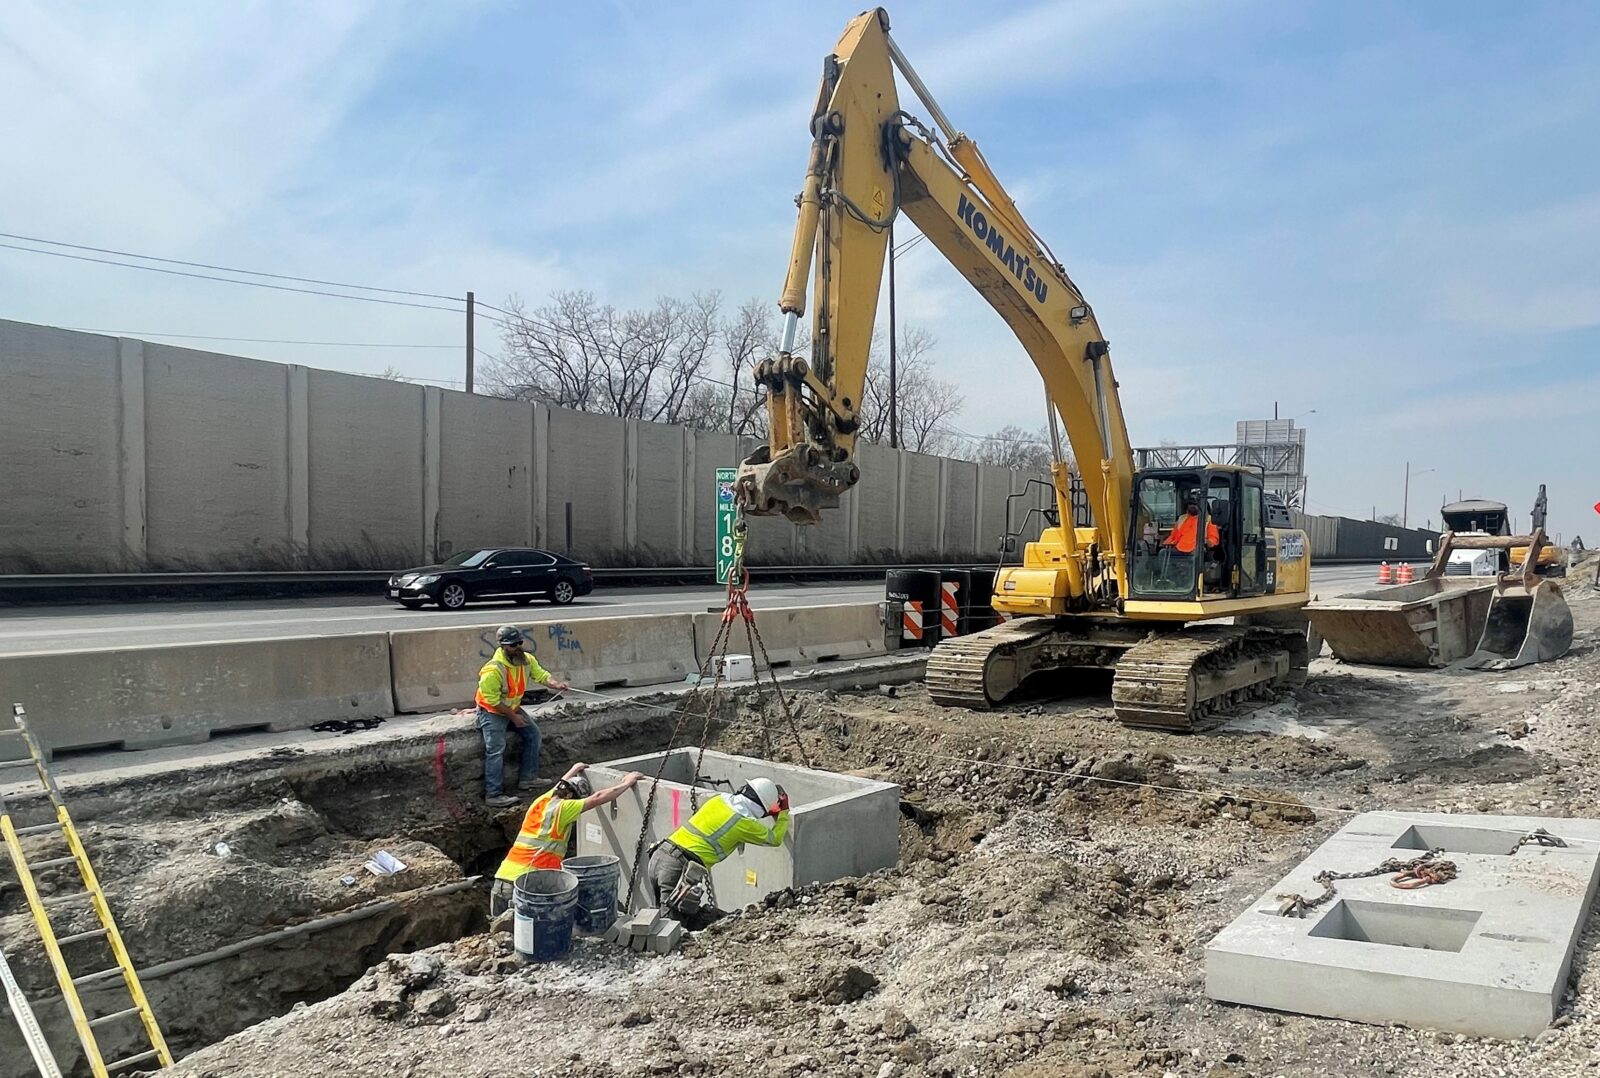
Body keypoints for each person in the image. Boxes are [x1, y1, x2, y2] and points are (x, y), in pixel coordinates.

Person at [489, 762, 643, 916]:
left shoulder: (541, 801)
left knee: (500, 936)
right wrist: (627, 782)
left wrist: (574, 769)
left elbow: (559, 785)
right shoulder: (563, 808)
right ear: (570, 796)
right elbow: (598, 797)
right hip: (526, 884)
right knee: (530, 935)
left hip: (502, 879)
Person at [645, 777, 790, 928]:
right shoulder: (744, 823)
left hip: (660, 856)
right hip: (678, 869)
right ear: (763, 807)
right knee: (672, 929)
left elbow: (732, 816)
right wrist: (784, 812)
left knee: (660, 925)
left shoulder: (719, 800)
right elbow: (775, 839)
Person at [477, 625, 569, 809]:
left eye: (519, 642)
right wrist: (513, 717)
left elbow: (540, 675)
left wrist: (556, 685)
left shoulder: (525, 660)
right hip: (492, 712)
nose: (518, 647)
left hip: (512, 708)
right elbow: (492, 701)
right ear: (503, 647)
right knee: (495, 750)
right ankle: (493, 794)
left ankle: (528, 779)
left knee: (533, 735)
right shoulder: (493, 670)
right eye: (513, 645)